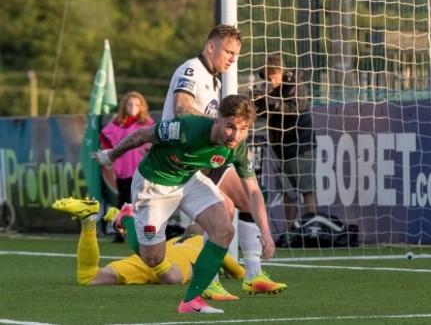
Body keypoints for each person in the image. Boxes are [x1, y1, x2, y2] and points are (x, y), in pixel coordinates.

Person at [93, 94, 273, 314]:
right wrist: (111, 156)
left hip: (189, 180)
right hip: (154, 184)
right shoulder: (186, 128)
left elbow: (253, 192)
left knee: (224, 231)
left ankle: (192, 300)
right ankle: (127, 218)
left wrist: (265, 232)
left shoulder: (238, 148)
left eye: (243, 129)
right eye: (231, 127)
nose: (236, 135)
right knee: (152, 259)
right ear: (218, 119)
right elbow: (141, 135)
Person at [162, 24, 287, 299]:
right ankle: (250, 275)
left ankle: (212, 278)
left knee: (228, 208)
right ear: (210, 47)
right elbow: (182, 109)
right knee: (248, 196)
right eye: (228, 51)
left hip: (202, 154)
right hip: (186, 153)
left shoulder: (214, 79)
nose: (232, 58)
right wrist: (224, 127)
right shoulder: (191, 70)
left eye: (236, 54)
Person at [51, 197, 243, 290]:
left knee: (89, 277)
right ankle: (124, 218)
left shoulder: (174, 241)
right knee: (173, 277)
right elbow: (238, 272)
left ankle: (89, 222)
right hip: (167, 267)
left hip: (148, 258)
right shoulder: (209, 246)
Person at [253, 53, 318, 236]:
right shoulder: (271, 90)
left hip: (301, 146)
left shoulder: (296, 84)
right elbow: (267, 114)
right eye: (267, 77)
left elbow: (294, 109)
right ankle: (290, 232)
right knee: (287, 193)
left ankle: (312, 229)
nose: (269, 81)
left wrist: (270, 100)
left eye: (271, 76)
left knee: (307, 190)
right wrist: (258, 102)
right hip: (280, 149)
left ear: (280, 72)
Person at [100, 91, 155, 243]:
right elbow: (104, 138)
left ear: (142, 107)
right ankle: (120, 233)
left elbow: (155, 140)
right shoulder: (118, 123)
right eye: (130, 104)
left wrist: (148, 147)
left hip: (142, 169)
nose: (133, 107)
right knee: (123, 200)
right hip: (123, 170)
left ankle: (144, 232)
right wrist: (109, 155)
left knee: (142, 201)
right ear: (124, 106)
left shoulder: (147, 123)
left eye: (136, 105)